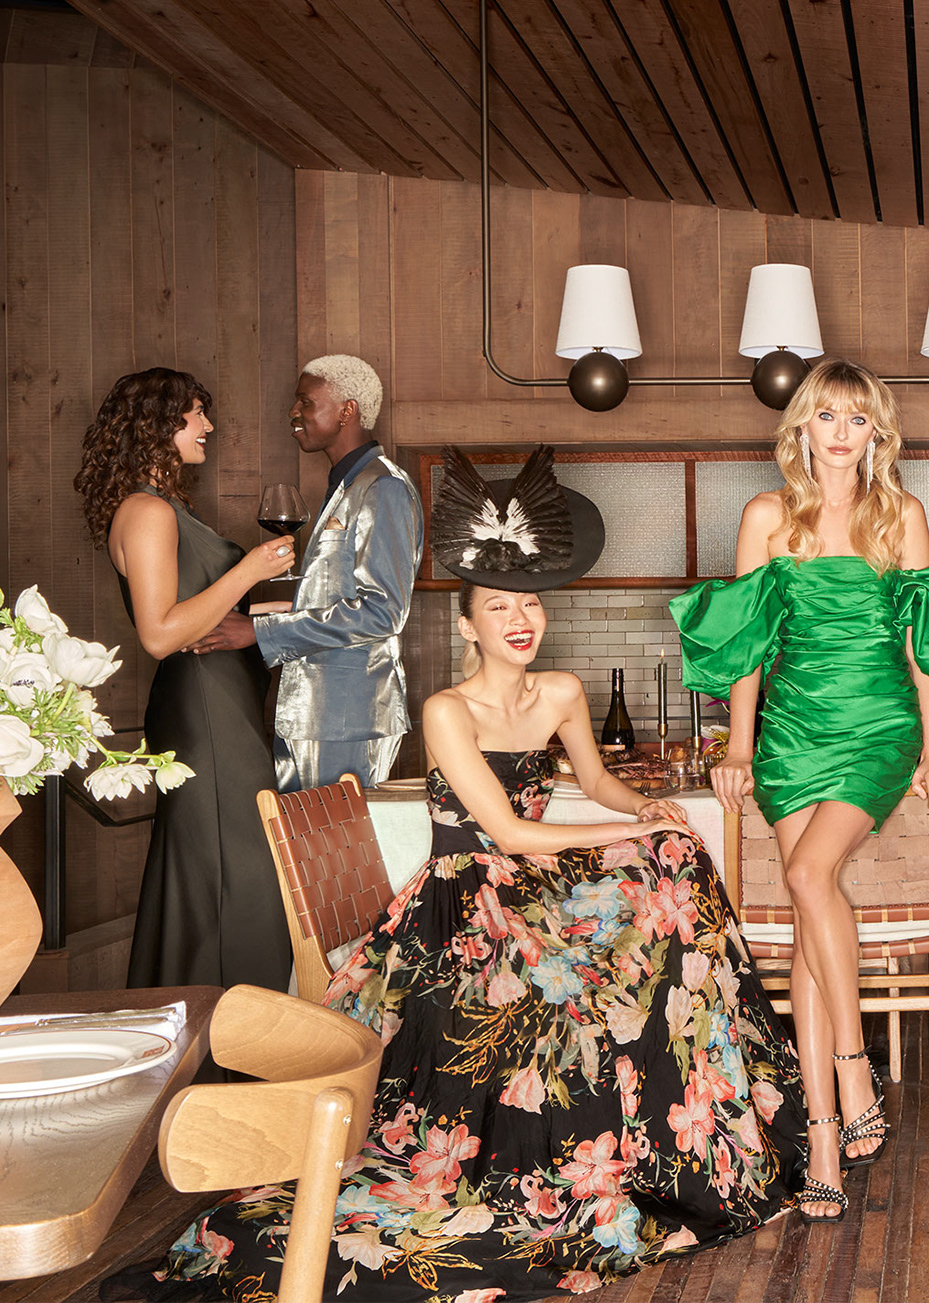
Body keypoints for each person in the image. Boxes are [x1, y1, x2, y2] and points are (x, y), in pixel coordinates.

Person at [137, 449, 807, 1298]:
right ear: (468, 626)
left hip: (533, 889)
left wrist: (644, 808)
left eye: (528, 603)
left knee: (678, 861)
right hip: (463, 902)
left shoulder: (560, 692)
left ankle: (691, 1136)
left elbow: (596, 782)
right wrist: (627, 832)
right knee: (567, 989)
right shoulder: (446, 710)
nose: (520, 619)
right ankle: (578, 1156)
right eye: (498, 607)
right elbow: (510, 832)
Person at [672, 358, 929, 1224]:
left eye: (857, 418)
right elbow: (746, 643)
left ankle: (855, 1069)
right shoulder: (766, 518)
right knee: (812, 932)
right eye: (827, 417)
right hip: (790, 733)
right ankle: (822, 1143)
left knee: (811, 875)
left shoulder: (902, 515)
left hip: (878, 726)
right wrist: (739, 745)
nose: (842, 433)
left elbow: (925, 642)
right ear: (801, 429)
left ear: (876, 432)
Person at [72, 368, 297, 991]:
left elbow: (210, 613)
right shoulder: (146, 511)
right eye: (197, 413)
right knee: (240, 872)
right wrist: (250, 569)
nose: (209, 426)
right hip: (204, 709)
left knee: (218, 872)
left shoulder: (165, 508)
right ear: (158, 423)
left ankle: (209, 1020)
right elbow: (160, 633)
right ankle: (235, 1030)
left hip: (222, 702)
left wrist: (297, 614)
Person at [193, 354, 425, 791]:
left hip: (347, 719)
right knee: (300, 834)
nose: (293, 412)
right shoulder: (346, 485)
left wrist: (260, 633)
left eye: (305, 401)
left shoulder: (384, 487)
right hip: (313, 715)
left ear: (347, 410)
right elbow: (333, 595)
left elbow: (382, 612)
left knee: (337, 836)